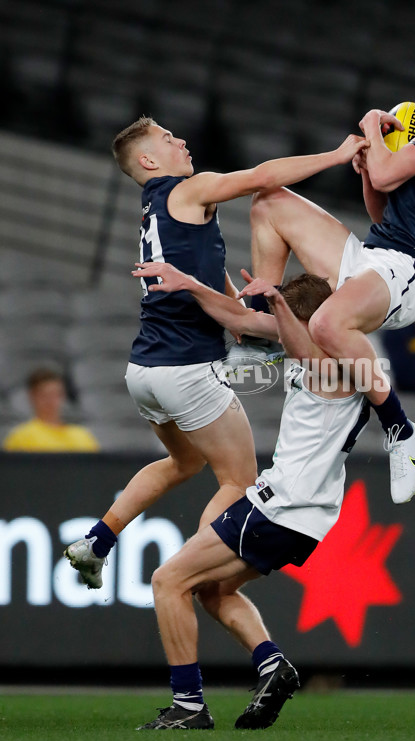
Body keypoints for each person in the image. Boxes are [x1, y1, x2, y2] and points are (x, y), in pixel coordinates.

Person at [64, 116, 368, 588]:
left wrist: (240, 315)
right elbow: (262, 179)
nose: (181, 140)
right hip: (186, 370)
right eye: (167, 139)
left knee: (185, 462)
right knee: (238, 481)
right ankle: (189, 578)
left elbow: (204, 276)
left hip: (143, 371)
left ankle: (97, 541)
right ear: (149, 161)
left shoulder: (154, 209)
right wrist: (336, 155)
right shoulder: (190, 190)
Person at [238, 40, 415, 504]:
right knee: (270, 202)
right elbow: (383, 213)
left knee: (325, 323)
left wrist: (372, 126)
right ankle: (262, 333)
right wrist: (365, 167)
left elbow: (386, 177)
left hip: (410, 269)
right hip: (379, 255)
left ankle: (401, 430)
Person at [131, 261, 370, 731]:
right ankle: (271, 665)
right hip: (308, 518)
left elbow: (293, 343)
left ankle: (189, 707)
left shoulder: (332, 365)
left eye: (290, 323)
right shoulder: (332, 351)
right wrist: (194, 281)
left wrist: (277, 303)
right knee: (213, 591)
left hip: (279, 506)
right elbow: (241, 319)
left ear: (311, 324)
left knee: (168, 581)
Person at [3, 367, 99, 452]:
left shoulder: (82, 436)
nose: (51, 401)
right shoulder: (20, 437)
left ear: (63, 397)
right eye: (44, 395)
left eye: (56, 394)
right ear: (32, 397)